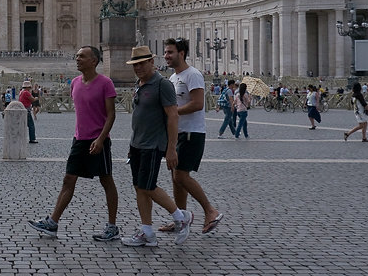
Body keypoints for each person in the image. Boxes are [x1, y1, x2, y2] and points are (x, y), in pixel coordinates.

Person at [28, 45, 120, 241]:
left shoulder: (106, 83)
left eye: (82, 56)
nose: (77, 59)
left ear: (94, 60)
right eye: (76, 56)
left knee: (106, 180)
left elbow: (111, 115)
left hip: (99, 140)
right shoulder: (75, 82)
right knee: (68, 180)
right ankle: (53, 222)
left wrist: (101, 139)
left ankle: (112, 226)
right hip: (79, 139)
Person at [120, 45, 192, 246]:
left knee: (147, 186)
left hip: (153, 145)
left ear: (152, 62)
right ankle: (147, 232)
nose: (138, 68)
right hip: (137, 143)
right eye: (135, 64)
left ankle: (180, 217)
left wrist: (171, 148)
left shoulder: (163, 85)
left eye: (142, 63)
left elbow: (172, 116)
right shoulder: (140, 83)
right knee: (139, 187)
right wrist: (132, 144)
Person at [159, 38, 223, 235]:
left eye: (170, 52)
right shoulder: (172, 78)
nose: (166, 56)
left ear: (182, 53)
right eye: (166, 52)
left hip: (191, 133)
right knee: (175, 178)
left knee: (181, 175)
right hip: (177, 134)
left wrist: (174, 112)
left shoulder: (193, 75)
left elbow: (197, 103)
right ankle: (180, 218)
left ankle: (210, 211)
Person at [18, 79, 38, 144]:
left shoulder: (21, 91)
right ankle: (32, 139)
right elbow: (32, 99)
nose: (30, 88)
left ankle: (19, 137)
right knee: (31, 125)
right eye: (29, 87)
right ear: (27, 87)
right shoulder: (26, 92)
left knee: (22, 125)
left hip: (21, 109)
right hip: (26, 110)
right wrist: (36, 98)